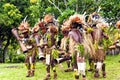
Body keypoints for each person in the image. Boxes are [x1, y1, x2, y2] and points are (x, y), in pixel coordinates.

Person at [87, 12, 108, 78]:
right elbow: (106, 37)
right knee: (100, 60)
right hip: (98, 46)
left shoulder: (93, 29)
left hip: (95, 46)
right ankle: (100, 73)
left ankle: (99, 73)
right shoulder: (94, 29)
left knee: (97, 60)